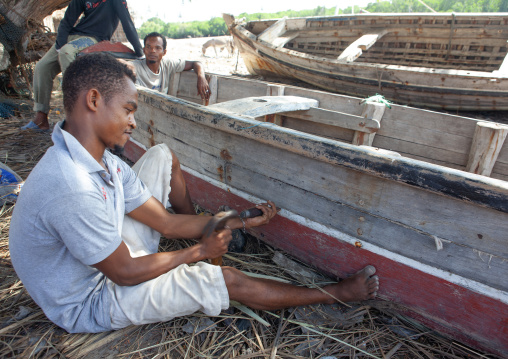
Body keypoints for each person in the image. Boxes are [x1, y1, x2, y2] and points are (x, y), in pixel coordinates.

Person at [9, 53, 379, 333]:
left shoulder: (102, 160)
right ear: (93, 101)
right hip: (90, 297)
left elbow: (167, 223)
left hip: (102, 260)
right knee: (225, 279)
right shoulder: (70, 184)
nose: (134, 121)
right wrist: (199, 253)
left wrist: (237, 221)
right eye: (128, 109)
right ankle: (337, 293)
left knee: (159, 154)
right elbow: (123, 273)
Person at [21, 0, 143, 132]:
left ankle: (75, 114)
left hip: (94, 38)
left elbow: (127, 22)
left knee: (66, 52)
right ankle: (41, 117)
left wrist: (139, 51)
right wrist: (60, 44)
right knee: (42, 67)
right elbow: (66, 21)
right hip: (72, 36)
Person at [129, 32, 211, 100]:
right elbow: (122, 64)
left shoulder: (167, 64)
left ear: (164, 52)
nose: (152, 51)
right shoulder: (136, 66)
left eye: (157, 48)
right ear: (144, 50)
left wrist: (201, 77)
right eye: (148, 47)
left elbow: (196, 63)